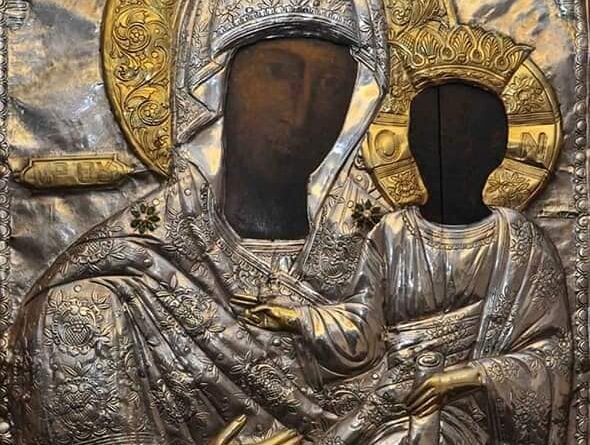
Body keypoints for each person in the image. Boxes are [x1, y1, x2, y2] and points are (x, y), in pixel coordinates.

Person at [6, 0, 393, 442]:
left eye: (331, 83)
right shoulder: (101, 301)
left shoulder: (391, 260)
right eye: (278, 72)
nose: (303, 110)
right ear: (217, 85)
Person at [242, 85, 573, 444]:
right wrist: (297, 318)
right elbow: (363, 329)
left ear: (493, 149)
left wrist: (463, 379)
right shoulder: (393, 233)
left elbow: (550, 356)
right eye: (425, 139)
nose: (439, 154)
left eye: (457, 139)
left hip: (473, 416)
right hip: (391, 405)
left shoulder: (522, 243)